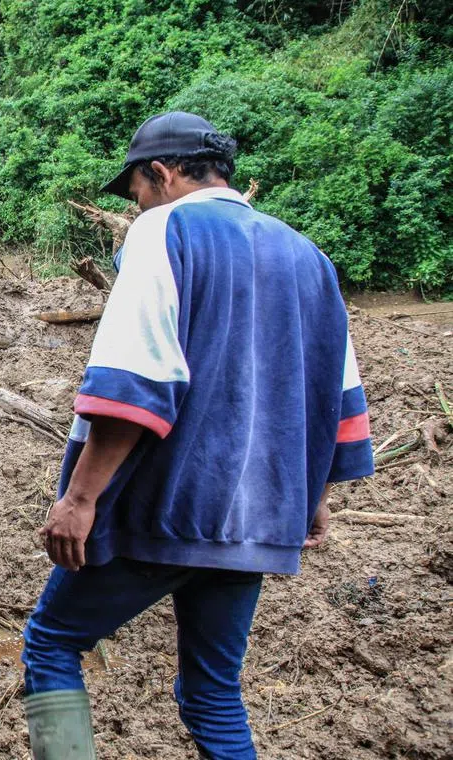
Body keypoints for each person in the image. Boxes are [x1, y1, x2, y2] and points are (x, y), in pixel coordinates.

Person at [21, 112, 375, 760]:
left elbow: (134, 381)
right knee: (212, 691)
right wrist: (314, 494)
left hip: (170, 501)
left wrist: (79, 498)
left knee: (52, 642)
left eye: (136, 194)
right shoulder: (308, 256)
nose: (137, 209)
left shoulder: (165, 231)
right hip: (259, 515)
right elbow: (336, 392)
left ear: (162, 173)